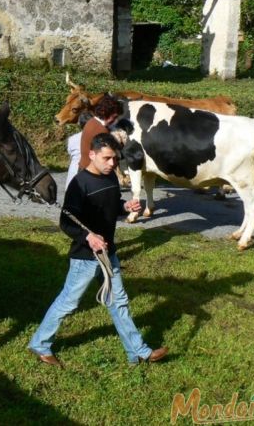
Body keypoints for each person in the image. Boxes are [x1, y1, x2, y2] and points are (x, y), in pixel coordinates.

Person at [28, 133, 167, 368]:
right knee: (69, 302)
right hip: (85, 257)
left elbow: (110, 209)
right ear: (92, 155)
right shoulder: (80, 184)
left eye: (115, 159)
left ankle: (138, 352)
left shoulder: (111, 178)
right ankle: (40, 343)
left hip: (108, 252)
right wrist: (88, 237)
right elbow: (67, 222)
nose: (112, 163)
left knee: (119, 301)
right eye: (107, 158)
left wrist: (124, 207)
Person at [78, 94, 122, 170]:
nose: (115, 120)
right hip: (94, 172)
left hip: (85, 168)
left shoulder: (92, 122)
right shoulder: (101, 130)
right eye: (114, 117)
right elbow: (109, 156)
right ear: (105, 113)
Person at [65, 111, 94, 188]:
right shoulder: (96, 137)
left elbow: (70, 153)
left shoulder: (72, 139)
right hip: (90, 171)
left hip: (73, 172)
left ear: (79, 124)